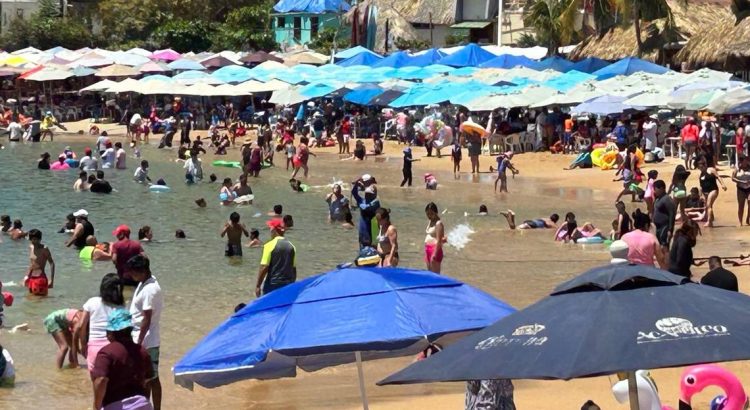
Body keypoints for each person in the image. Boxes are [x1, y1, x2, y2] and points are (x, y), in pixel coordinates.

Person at [91, 308, 154, 410]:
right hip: (143, 404)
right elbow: (148, 381)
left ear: (111, 332)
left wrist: (96, 407)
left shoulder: (106, 353)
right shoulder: (143, 351)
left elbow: (101, 380)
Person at [126, 255, 163, 410]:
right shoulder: (146, 281)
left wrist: (139, 343)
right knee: (145, 378)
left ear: (142, 271)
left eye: (133, 272)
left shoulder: (150, 289)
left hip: (148, 341)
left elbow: (146, 319)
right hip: (142, 337)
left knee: (152, 379)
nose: (131, 276)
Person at [73, 273, 125, 372]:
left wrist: (83, 345)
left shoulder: (92, 302)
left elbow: (80, 326)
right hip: (113, 349)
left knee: (96, 384)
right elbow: (122, 331)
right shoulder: (121, 306)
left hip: (94, 348)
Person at [256, 219, 296, 296]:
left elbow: (264, 267)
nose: (270, 230)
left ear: (274, 229)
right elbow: (293, 269)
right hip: (287, 283)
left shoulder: (269, 245)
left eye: (271, 227)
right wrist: (292, 285)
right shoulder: (292, 246)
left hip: (272, 284)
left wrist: (258, 286)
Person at [696, 157, 726, 227]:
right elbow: (701, 186)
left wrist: (723, 184)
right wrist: (700, 194)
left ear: (704, 165)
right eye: (698, 167)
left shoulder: (711, 170)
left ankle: (709, 222)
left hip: (713, 190)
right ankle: (711, 220)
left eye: (700, 166)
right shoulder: (700, 175)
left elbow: (718, 177)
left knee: (709, 205)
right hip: (705, 192)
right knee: (708, 206)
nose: (700, 168)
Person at [352, 180, 381, 248]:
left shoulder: (376, 202)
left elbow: (364, 208)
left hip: (372, 233)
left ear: (375, 195)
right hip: (362, 233)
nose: (367, 195)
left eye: (370, 194)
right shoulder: (363, 201)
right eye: (366, 193)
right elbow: (354, 193)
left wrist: (358, 204)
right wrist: (356, 184)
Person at [26, 229, 55, 296]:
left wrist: (52, 280)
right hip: (31, 277)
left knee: (40, 299)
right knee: (30, 298)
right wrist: (27, 276)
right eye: (32, 239)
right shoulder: (31, 247)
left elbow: (52, 263)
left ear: (40, 239)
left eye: (36, 239)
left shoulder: (44, 249)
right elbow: (32, 264)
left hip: (40, 278)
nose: (34, 241)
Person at [653, 180, 676, 253]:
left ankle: (667, 261)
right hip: (658, 227)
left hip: (665, 227)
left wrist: (670, 229)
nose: (654, 191)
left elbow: (672, 214)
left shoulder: (667, 199)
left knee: (664, 245)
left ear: (661, 188)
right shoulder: (658, 199)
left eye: (655, 189)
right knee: (659, 245)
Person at [424, 202, 446, 274]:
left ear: (436, 212)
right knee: (429, 275)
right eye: (427, 214)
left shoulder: (438, 224)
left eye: (431, 213)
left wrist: (434, 254)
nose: (429, 216)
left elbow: (439, 240)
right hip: (428, 249)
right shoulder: (430, 221)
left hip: (435, 250)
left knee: (435, 275)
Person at [732, 156, 750, 226]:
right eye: (744, 161)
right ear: (741, 162)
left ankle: (748, 218)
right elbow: (733, 178)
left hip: (749, 188)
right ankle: (740, 221)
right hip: (740, 188)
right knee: (741, 205)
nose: (746, 162)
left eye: (747, 161)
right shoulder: (737, 169)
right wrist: (741, 181)